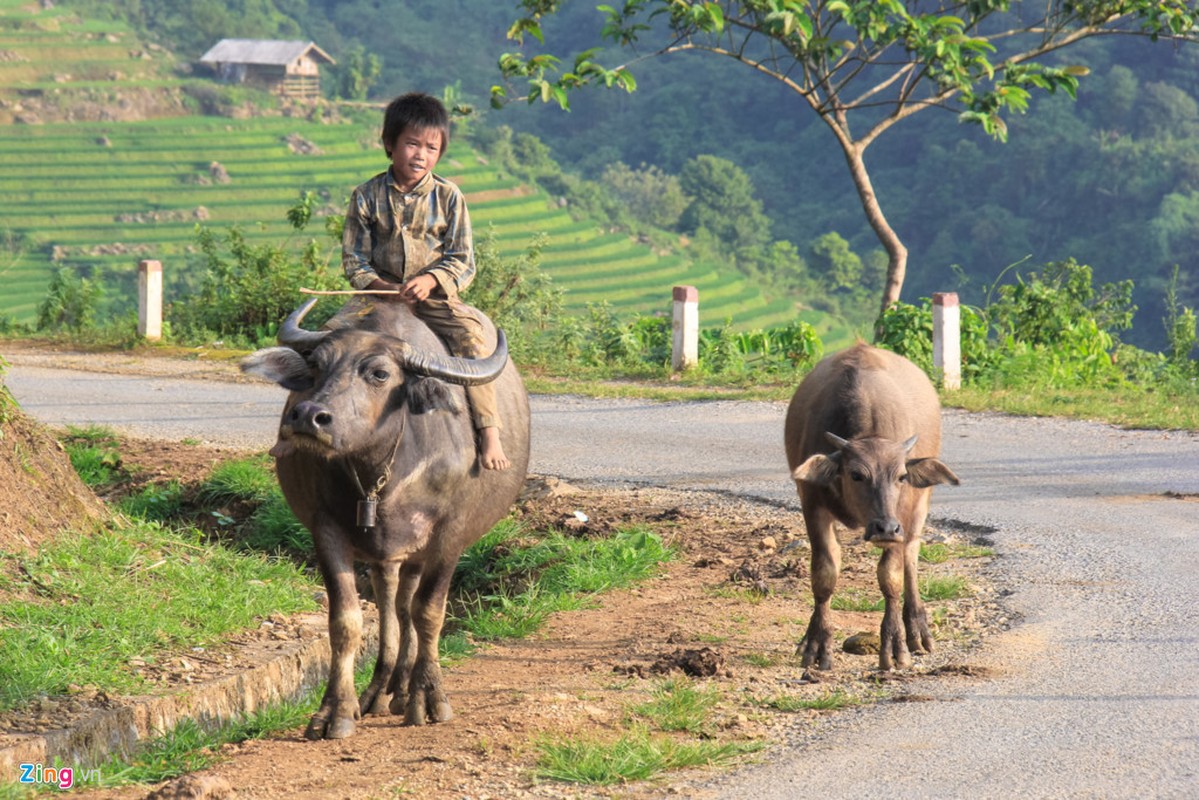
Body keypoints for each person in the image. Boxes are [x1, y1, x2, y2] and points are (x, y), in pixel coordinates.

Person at [342, 91, 509, 470]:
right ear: (389, 144)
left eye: (431, 148)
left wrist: (431, 280)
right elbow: (353, 260)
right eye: (411, 144)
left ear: (440, 152)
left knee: (471, 343)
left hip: (433, 296)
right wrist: (380, 287)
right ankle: (293, 429)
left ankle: (489, 431)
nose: (420, 155)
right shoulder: (366, 196)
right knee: (329, 340)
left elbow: (463, 260)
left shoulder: (449, 197)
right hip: (379, 295)